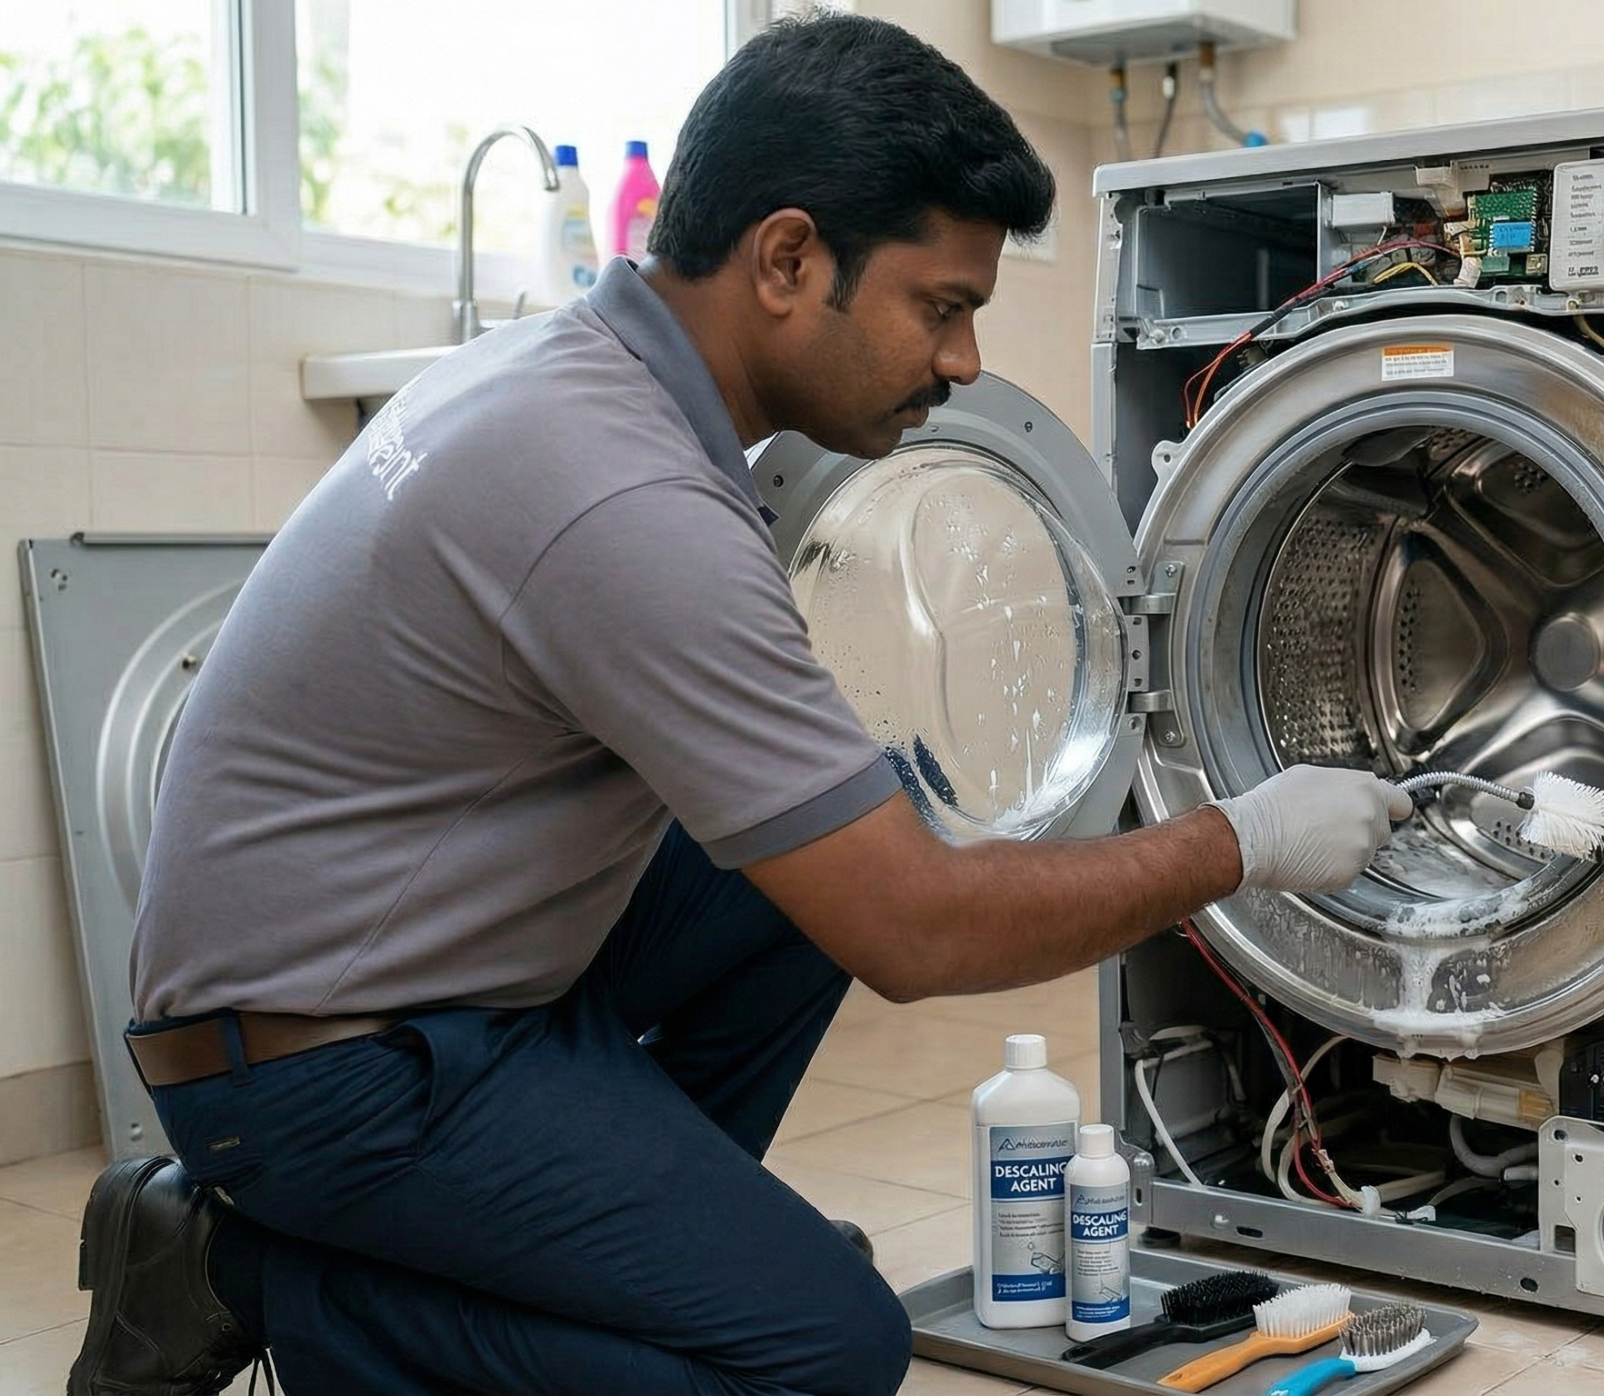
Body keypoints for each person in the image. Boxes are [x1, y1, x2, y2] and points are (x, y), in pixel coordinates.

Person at [67, 14, 1408, 1396]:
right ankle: (244, 1275)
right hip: (317, 1073)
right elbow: (913, 931)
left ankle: (618, 1271)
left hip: (413, 971)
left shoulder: (579, 377)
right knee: (820, 1349)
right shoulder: (627, 496)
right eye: (939, 305)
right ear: (786, 260)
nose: (959, 363)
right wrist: (1242, 841)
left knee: (842, 831)